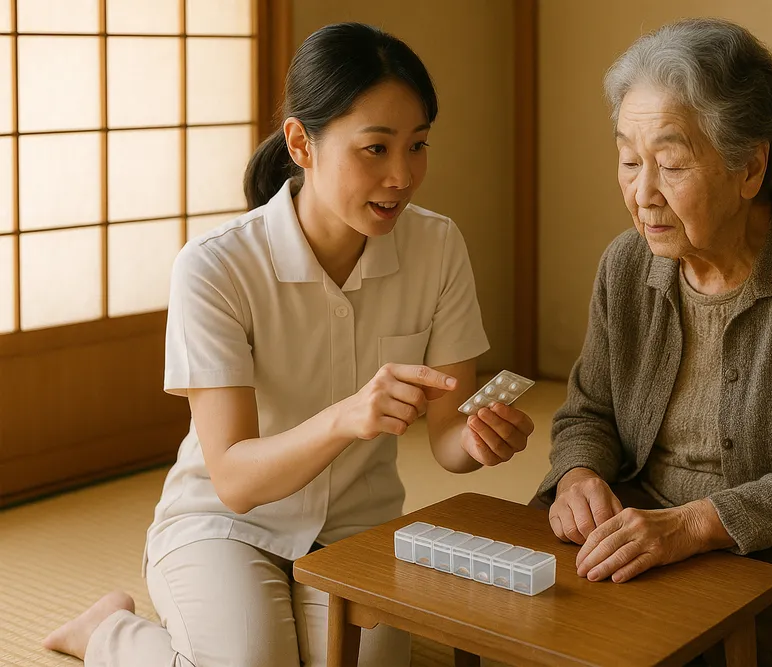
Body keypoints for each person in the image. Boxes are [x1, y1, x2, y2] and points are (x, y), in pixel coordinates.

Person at [43, 22, 534, 667]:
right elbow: (234, 479)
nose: (404, 175)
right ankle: (109, 632)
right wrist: (345, 417)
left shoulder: (438, 247)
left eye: (417, 146)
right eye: (375, 149)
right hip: (222, 527)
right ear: (302, 143)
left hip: (357, 530)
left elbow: (446, 437)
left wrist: (476, 440)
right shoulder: (216, 268)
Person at [533, 18, 772, 666]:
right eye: (629, 160)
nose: (642, 193)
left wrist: (690, 527)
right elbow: (588, 412)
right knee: (526, 591)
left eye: (672, 163)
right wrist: (577, 476)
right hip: (650, 515)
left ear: (750, 167)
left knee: (688, 641)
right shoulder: (625, 266)